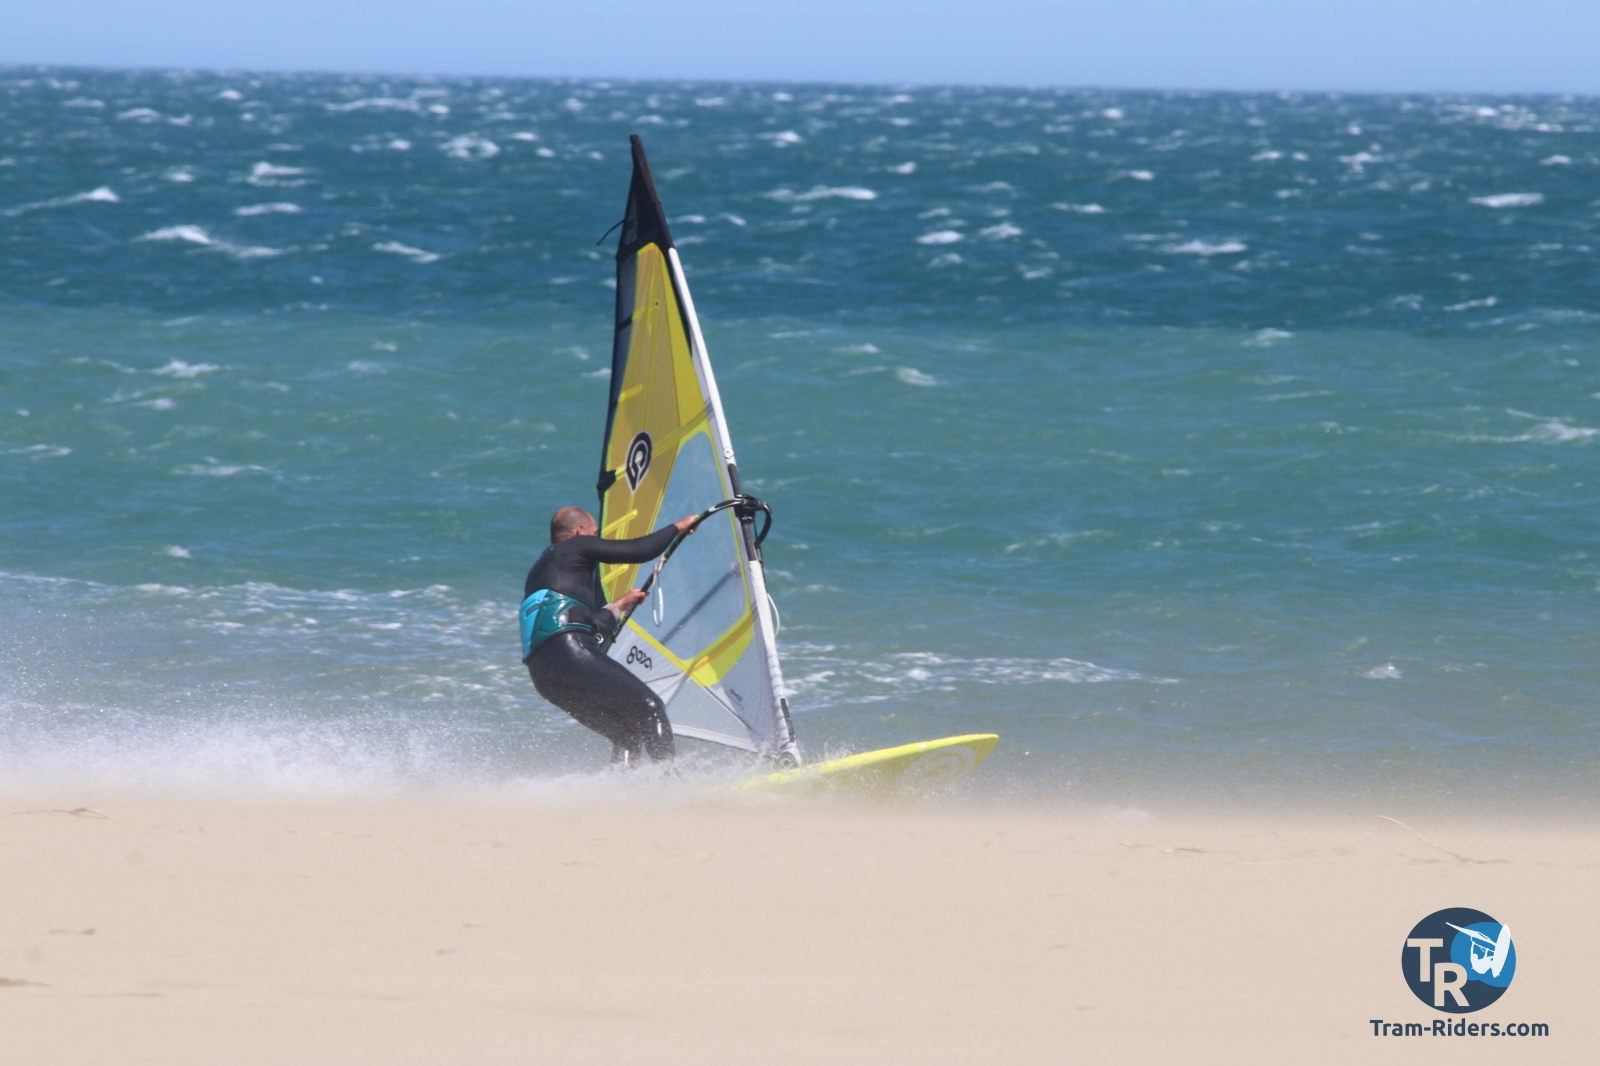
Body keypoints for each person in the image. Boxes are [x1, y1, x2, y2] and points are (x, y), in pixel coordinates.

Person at [520, 506, 697, 765]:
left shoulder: (543, 571)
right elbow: (640, 550)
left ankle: (621, 785)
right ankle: (670, 779)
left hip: (544, 675)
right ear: (579, 531)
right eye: (595, 535)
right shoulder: (575, 545)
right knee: (650, 707)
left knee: (627, 734)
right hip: (570, 651)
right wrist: (679, 526)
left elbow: (581, 625)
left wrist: (618, 607)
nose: (596, 540)